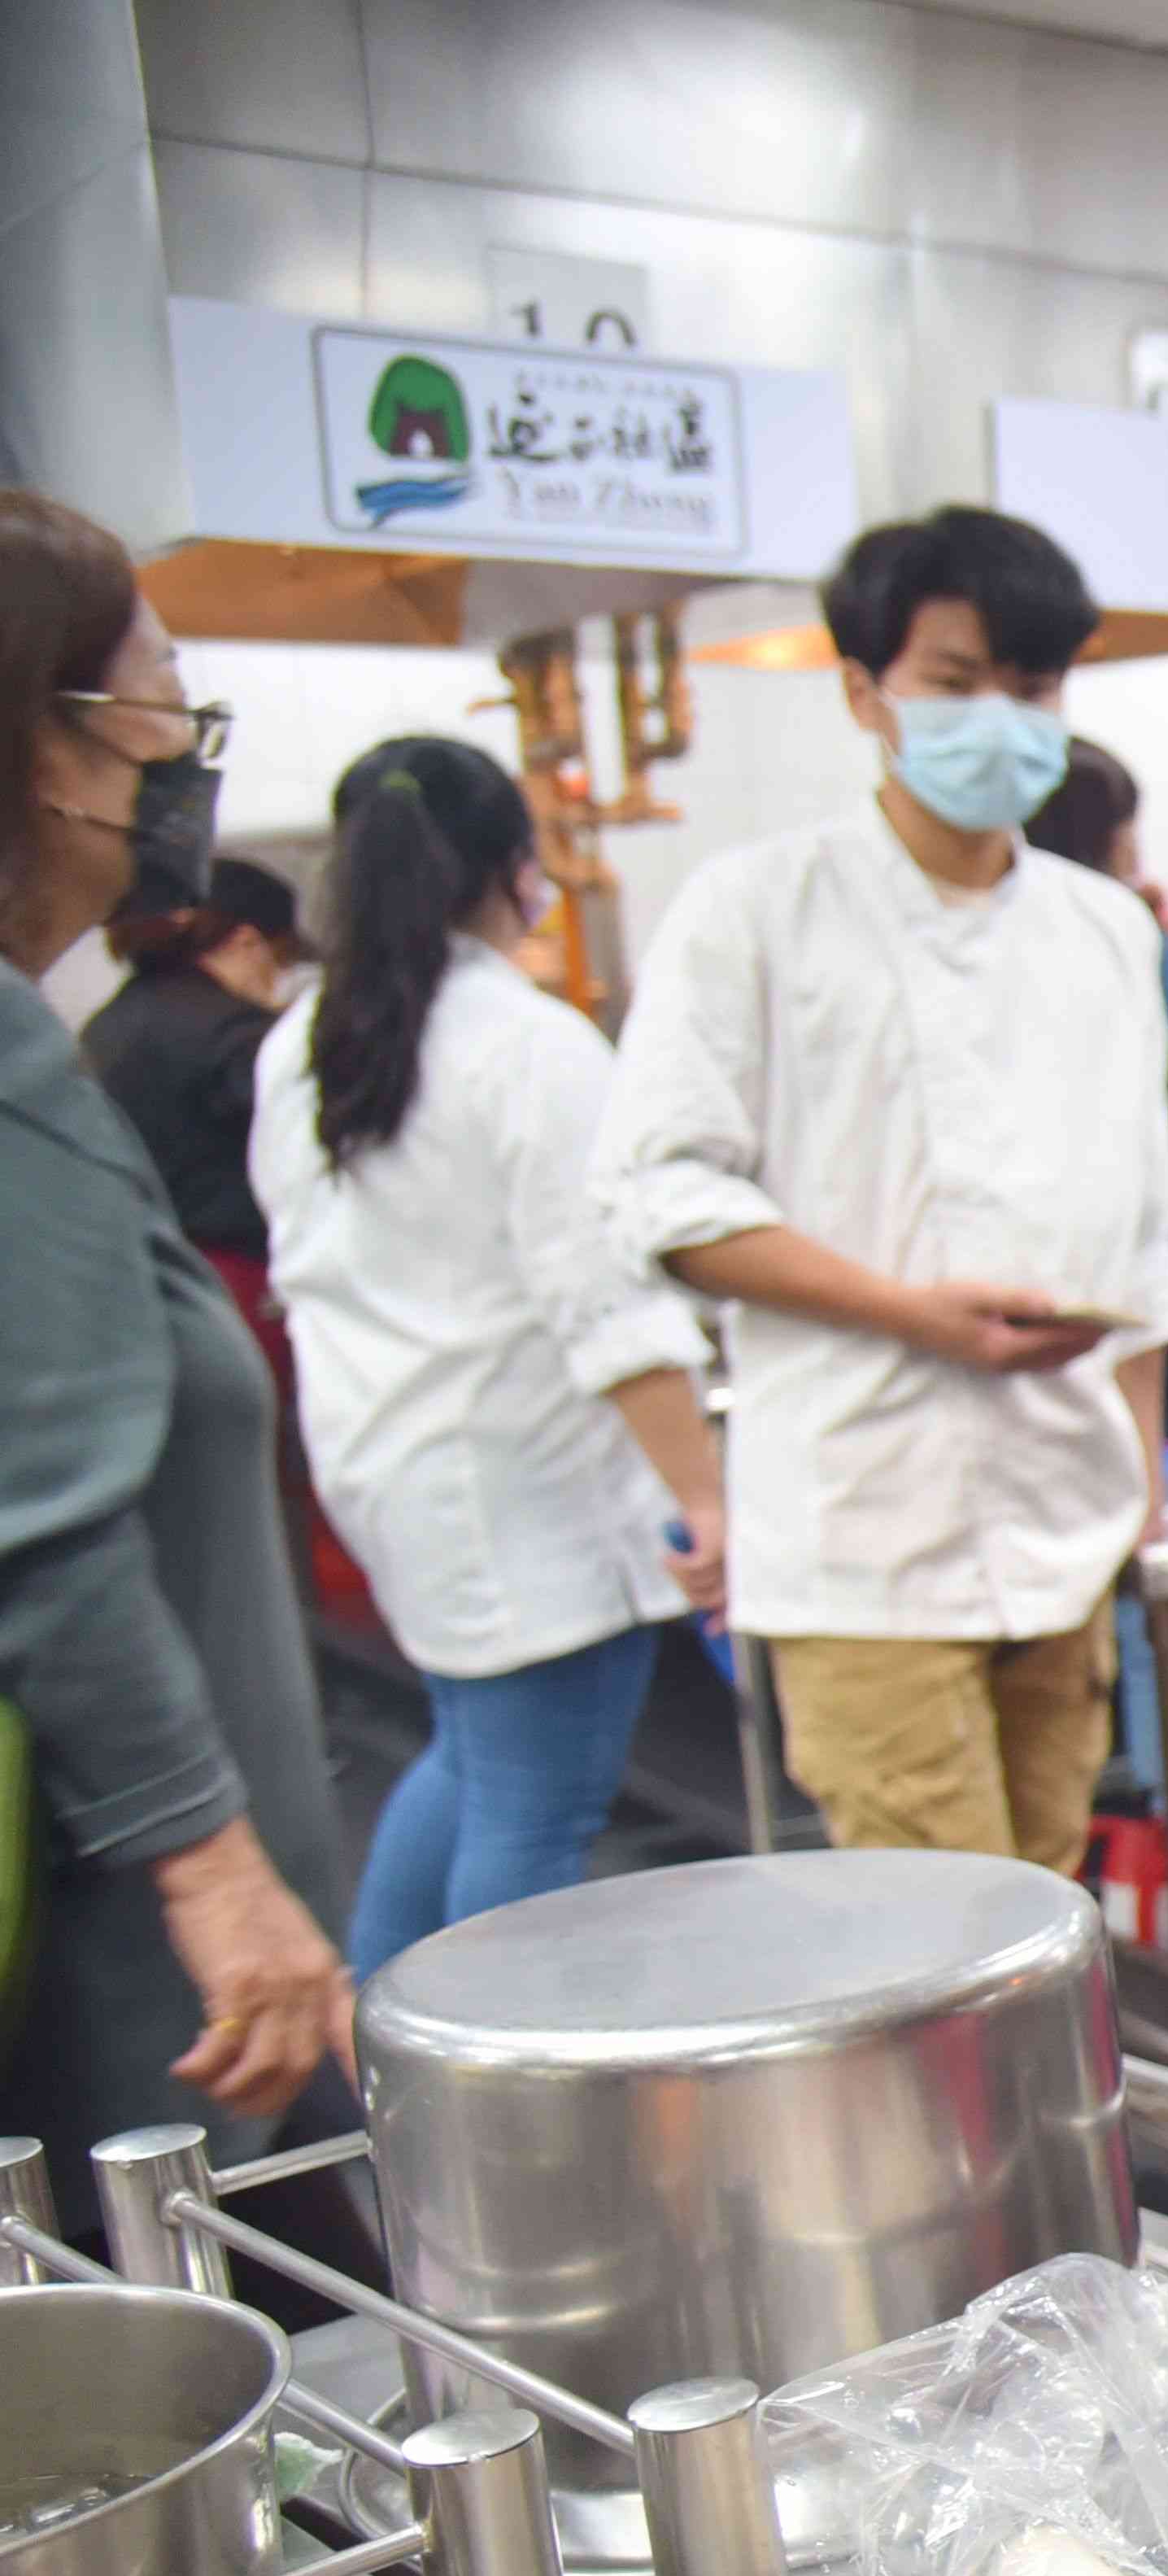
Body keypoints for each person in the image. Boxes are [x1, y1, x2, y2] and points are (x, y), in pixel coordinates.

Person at [598, 506, 1168, 1877]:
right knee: (936, 1949)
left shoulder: (1105, 933)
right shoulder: (755, 911)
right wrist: (915, 1313)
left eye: (1034, 686)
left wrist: (1142, 1490)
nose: (1001, 717)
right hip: (866, 1534)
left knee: (1047, 1917)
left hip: (1065, 1513)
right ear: (864, 690)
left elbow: (1144, 1247)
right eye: (955, 680)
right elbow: (660, 1195)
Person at [0, 493, 355, 2154]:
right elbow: (48, 1526)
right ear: (48, 744)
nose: (184, 754)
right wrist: (216, 1870)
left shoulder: (49, 1036)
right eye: (162, 703)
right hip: (138, 1975)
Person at [249, 737, 724, 1969]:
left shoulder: (299, 1039)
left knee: (470, 1758)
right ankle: (498, 2116)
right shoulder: (527, 1043)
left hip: (392, 1466)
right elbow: (604, 1299)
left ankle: (389, 2044)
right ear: (519, 870)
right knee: (536, 1806)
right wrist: (704, 1496)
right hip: (526, 1488)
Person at [1026, 734, 1168, 1798]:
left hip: (977, 1325)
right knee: (1154, 1558)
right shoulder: (1127, 938)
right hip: (1127, 1312)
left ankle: (1114, 1802)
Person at [82, 855, 304, 1276]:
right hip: (237, 1275)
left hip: (138, 1262)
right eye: (285, 956)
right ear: (247, 942)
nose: (283, 975)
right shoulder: (239, 1033)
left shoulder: (106, 1024)